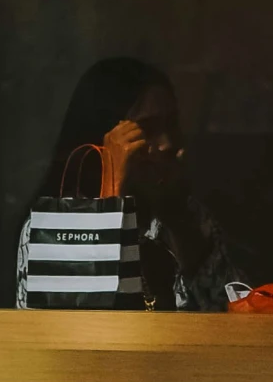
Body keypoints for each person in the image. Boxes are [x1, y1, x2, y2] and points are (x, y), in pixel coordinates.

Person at [16, 57, 237, 309]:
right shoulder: (55, 226)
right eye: (147, 128)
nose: (167, 143)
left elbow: (234, 312)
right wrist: (113, 190)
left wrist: (180, 222)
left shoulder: (187, 217)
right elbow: (76, 325)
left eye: (171, 124)